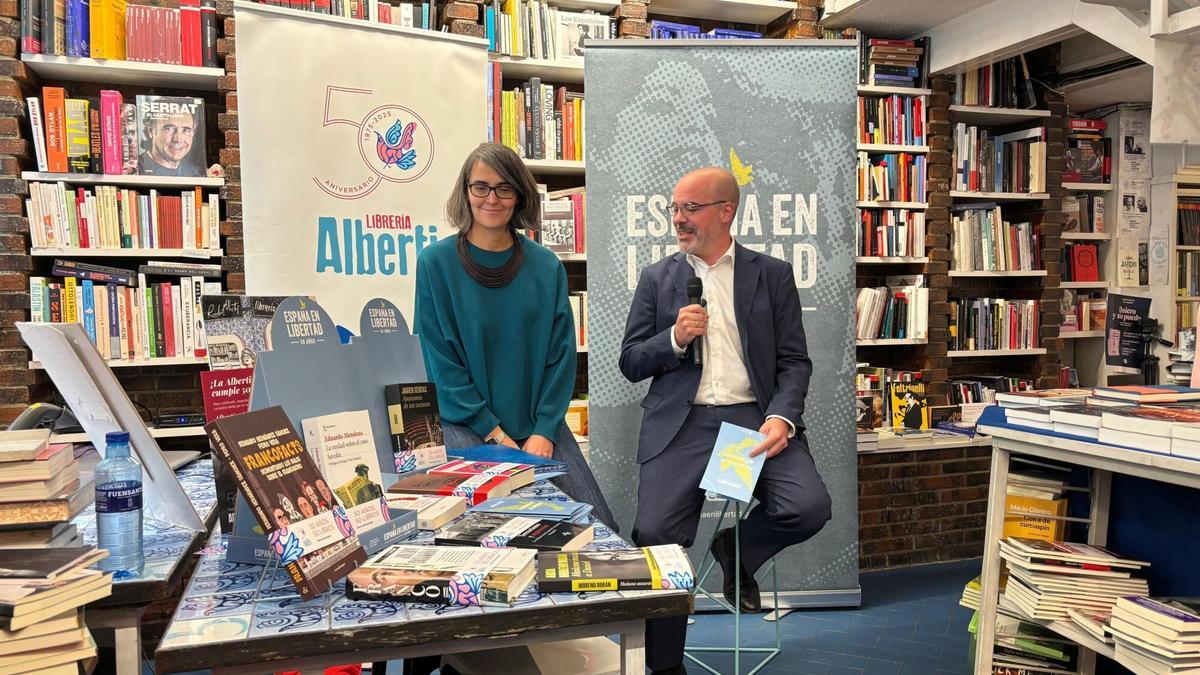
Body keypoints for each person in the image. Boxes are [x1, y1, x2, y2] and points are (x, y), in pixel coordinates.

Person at [619, 167, 833, 675]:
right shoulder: (658, 278)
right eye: (674, 208)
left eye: (689, 208)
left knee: (808, 506)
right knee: (654, 535)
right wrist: (673, 339)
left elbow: (794, 362)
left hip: (750, 420)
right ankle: (665, 666)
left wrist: (782, 417)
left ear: (725, 212)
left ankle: (735, 550)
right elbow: (630, 362)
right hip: (682, 422)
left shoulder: (772, 274)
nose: (678, 219)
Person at [415, 142, 616, 530]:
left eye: (504, 188)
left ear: (520, 195)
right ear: (466, 192)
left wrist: (543, 431)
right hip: (468, 426)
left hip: (538, 427)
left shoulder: (546, 266)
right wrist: (493, 432)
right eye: (481, 187)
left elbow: (561, 359)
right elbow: (441, 362)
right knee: (500, 531)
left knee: (597, 529)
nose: (492, 198)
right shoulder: (434, 264)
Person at [138, 107, 199, 176]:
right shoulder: (135, 169)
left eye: (186, 130)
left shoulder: (195, 172)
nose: (178, 139)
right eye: (169, 129)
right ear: (151, 131)